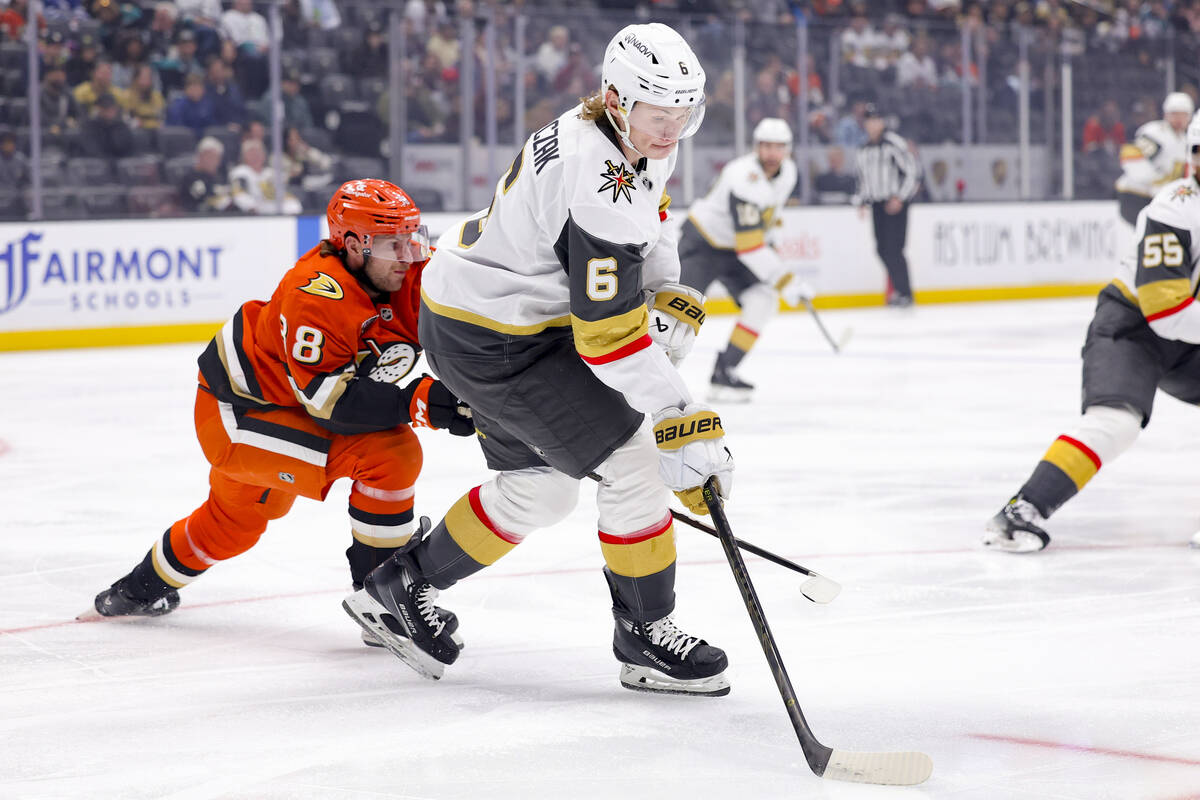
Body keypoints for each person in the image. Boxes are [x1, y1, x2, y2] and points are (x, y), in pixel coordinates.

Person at [342, 22, 735, 696]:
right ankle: (645, 632)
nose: (671, 130)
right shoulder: (598, 176)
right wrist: (680, 419)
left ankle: (398, 588)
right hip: (500, 339)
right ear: (616, 98)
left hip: (490, 315)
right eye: (659, 113)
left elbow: (649, 219)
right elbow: (606, 338)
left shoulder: (627, 135)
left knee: (543, 490)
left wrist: (669, 288)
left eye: (684, 113)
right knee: (635, 459)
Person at [80, 180, 475, 626]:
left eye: (411, 238)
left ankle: (136, 590)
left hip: (293, 405)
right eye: (391, 243)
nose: (408, 255)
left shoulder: (411, 270)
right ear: (351, 245)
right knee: (391, 453)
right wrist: (418, 400)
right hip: (240, 413)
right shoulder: (317, 296)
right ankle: (383, 605)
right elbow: (333, 405)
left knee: (231, 526)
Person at [985, 114, 1200, 553]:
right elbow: (1167, 310)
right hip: (1133, 326)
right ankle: (1023, 510)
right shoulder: (1174, 208)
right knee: (1115, 422)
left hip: (1185, 329)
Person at [678, 117, 800, 401]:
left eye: (778, 147)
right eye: (766, 146)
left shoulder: (788, 173)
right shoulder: (743, 177)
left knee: (762, 300)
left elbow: (769, 216)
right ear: (756, 147)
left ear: (788, 150)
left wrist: (774, 239)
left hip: (734, 249)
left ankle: (725, 372)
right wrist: (786, 280)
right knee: (678, 315)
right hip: (704, 243)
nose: (772, 154)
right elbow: (750, 247)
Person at [854, 105, 919, 307]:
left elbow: (912, 171)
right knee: (881, 249)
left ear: (882, 122)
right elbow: (863, 179)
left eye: (876, 119)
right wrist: (862, 201)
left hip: (895, 204)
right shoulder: (863, 149)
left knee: (894, 249)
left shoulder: (893, 144)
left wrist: (900, 197)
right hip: (877, 204)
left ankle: (905, 293)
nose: (872, 124)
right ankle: (900, 290)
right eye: (869, 120)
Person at [1115, 92, 1193, 227]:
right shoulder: (1156, 133)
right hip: (1135, 196)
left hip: (1156, 200)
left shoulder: (1185, 141)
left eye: (1183, 114)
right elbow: (1129, 155)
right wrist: (1152, 180)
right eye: (1174, 114)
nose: (1179, 119)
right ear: (1165, 115)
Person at [229, 139, 303, 215]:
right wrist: (252, 206)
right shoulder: (240, 172)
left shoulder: (271, 173)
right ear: (244, 156)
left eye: (258, 153)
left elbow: (283, 192)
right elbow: (238, 194)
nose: (255, 156)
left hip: (271, 206)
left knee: (294, 205)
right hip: (253, 210)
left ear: (264, 155)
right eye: (251, 153)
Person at [179, 135, 232, 213]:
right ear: (199, 156)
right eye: (209, 157)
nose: (213, 161)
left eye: (216, 158)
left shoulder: (221, 177)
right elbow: (203, 199)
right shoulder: (190, 178)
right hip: (197, 219)